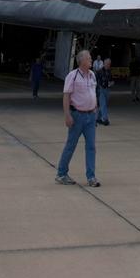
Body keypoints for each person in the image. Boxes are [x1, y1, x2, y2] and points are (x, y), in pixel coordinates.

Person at [56, 50, 100, 187]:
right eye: (89, 58)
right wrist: (67, 115)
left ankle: (91, 177)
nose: (91, 60)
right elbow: (66, 96)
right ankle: (61, 174)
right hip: (77, 116)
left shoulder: (92, 75)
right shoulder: (72, 76)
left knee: (91, 146)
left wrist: (95, 109)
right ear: (82, 61)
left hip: (90, 117)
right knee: (71, 145)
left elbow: (93, 93)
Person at [96, 57, 112, 125]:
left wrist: (111, 83)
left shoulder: (109, 71)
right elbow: (95, 81)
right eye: (107, 63)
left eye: (109, 64)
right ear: (104, 63)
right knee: (103, 104)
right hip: (101, 89)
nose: (108, 65)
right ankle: (105, 119)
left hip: (107, 89)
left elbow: (112, 80)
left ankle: (98, 118)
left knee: (103, 104)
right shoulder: (99, 72)